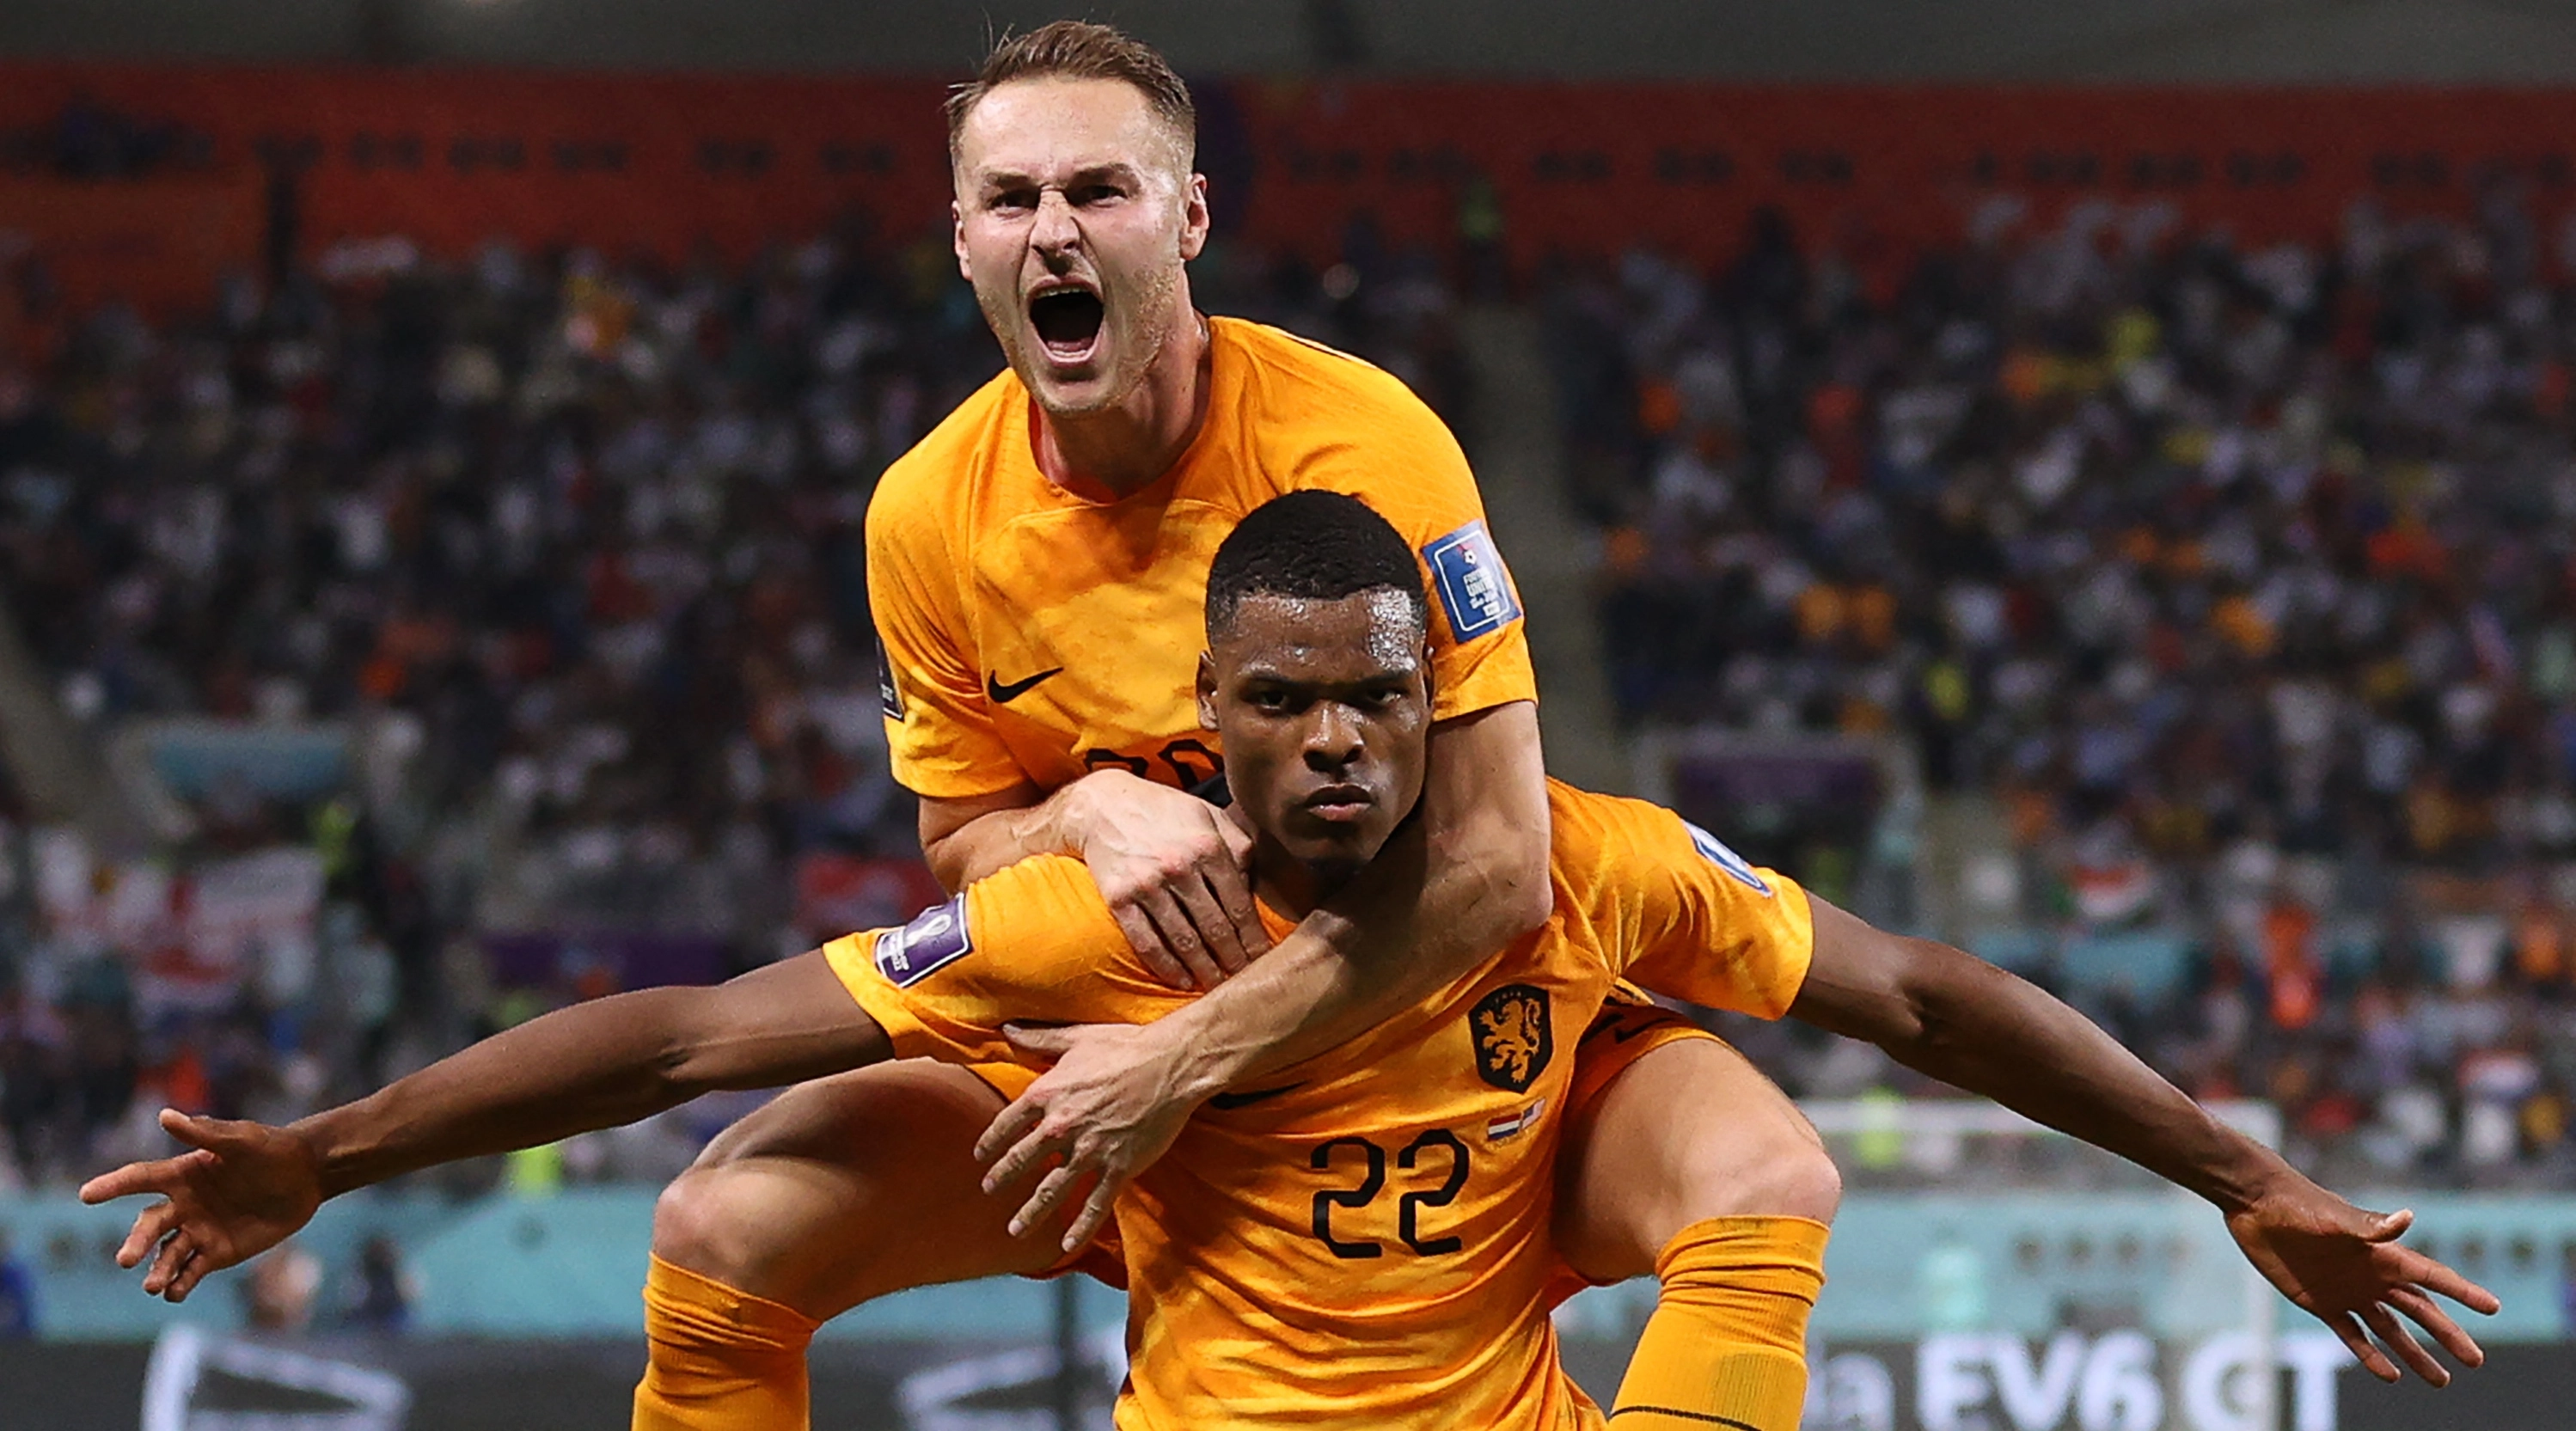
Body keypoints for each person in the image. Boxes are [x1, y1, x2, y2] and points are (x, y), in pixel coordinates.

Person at [84, 494, 2497, 1430]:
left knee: (1772, 1167)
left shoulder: (1584, 866)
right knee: (731, 1207)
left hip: (1501, 1367)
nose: (1337, 739)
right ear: (1205, 724)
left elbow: (1929, 1000)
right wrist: (335, 1149)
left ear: (1439, 698)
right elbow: (695, 1035)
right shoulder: (1099, 919)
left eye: (1377, 696)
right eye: (1282, 702)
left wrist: (2236, 1173)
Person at [642, 17, 1846, 1430]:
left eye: (1099, 189)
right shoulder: (927, 513)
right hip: (1113, 1041)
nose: (1053, 232)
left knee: (1761, 1175)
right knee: (724, 1226)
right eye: (1012, 198)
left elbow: (1494, 858)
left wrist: (1190, 1057)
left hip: (1421, 1023)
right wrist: (1082, 812)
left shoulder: (1364, 444)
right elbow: (961, 848)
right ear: (963, 237)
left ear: (1189, 216)